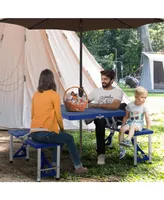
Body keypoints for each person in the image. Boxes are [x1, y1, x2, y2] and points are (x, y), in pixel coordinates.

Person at [30, 69, 88, 174]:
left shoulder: (36, 94)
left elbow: (32, 114)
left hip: (33, 132)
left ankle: (54, 164)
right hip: (45, 133)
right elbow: (58, 116)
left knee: (60, 139)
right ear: (52, 80)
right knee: (69, 138)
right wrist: (62, 129)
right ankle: (78, 167)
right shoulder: (54, 95)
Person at [88, 69, 123, 165]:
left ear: (112, 80)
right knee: (100, 121)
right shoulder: (96, 91)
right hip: (100, 117)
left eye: (106, 79)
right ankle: (101, 154)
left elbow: (115, 106)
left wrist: (97, 105)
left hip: (112, 119)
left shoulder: (117, 92)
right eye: (102, 79)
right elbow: (84, 101)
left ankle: (101, 155)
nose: (103, 81)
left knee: (101, 120)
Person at [119, 86, 151, 159]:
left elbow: (147, 117)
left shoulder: (144, 106)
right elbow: (126, 117)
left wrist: (148, 128)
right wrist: (123, 125)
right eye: (142, 97)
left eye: (145, 97)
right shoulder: (130, 105)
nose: (144, 99)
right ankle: (121, 149)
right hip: (130, 122)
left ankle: (128, 140)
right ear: (136, 97)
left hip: (139, 124)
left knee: (133, 126)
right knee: (122, 130)